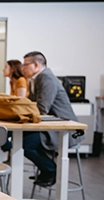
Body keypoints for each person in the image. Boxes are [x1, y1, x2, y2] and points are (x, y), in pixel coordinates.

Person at [21, 51, 83, 187]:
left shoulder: (46, 78)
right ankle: (46, 168)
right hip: (51, 125)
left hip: (63, 128)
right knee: (18, 138)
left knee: (24, 144)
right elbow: (31, 104)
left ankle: (50, 169)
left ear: (36, 64)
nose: (23, 68)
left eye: (25, 65)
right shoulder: (38, 78)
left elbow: (41, 109)